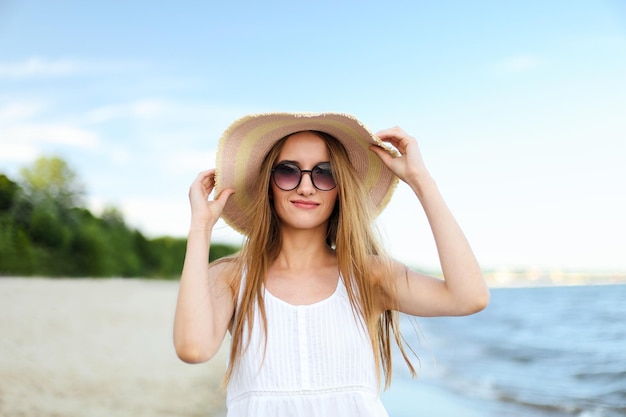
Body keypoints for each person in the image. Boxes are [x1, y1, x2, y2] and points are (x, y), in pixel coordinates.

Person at [173, 112, 489, 417]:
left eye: (325, 173)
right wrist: (200, 228)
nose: (306, 186)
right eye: (288, 171)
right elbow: (193, 349)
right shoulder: (230, 277)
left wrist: (421, 181)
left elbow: (469, 297)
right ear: (268, 185)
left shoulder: (368, 275)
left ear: (340, 190)